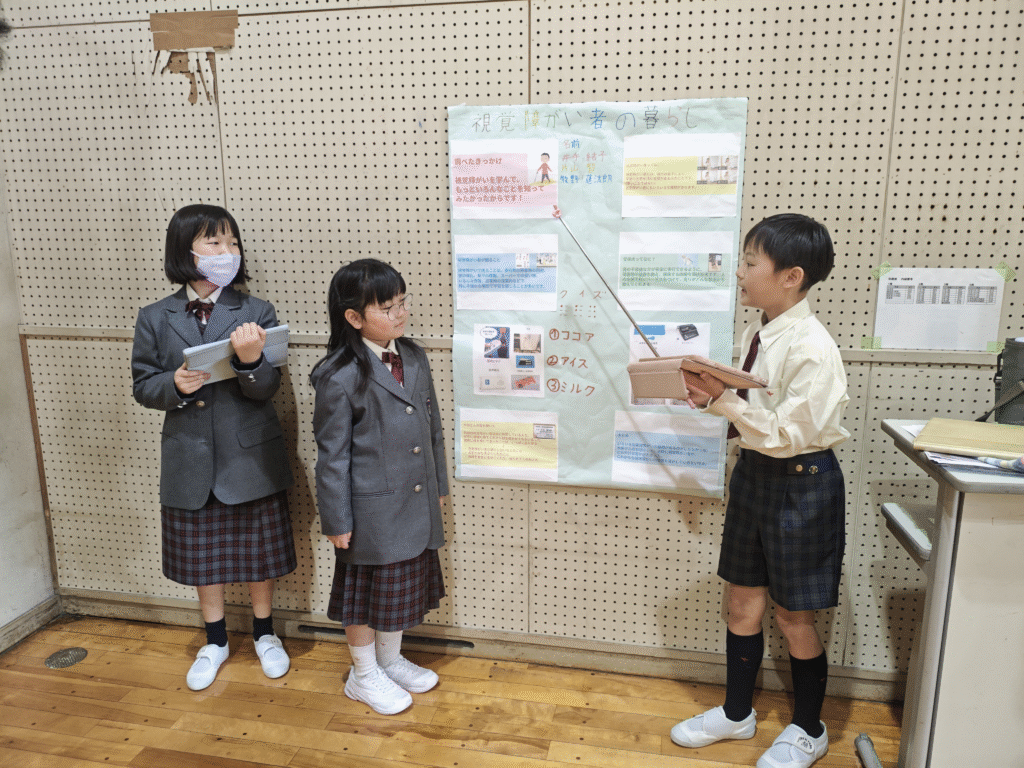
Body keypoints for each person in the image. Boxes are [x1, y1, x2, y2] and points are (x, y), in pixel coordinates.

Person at [671, 213, 849, 768]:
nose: (740, 273)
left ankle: (809, 729)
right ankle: (736, 713)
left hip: (802, 483)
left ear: (791, 277)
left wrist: (724, 400)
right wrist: (714, 394)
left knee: (795, 616)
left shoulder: (814, 346)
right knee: (741, 602)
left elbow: (788, 434)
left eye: (751, 263)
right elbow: (755, 417)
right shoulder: (759, 331)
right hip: (754, 474)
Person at [132, 204, 295, 691]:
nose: (228, 252)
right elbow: (143, 385)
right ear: (185, 251)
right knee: (204, 558)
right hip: (190, 456)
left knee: (259, 554)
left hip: (251, 456)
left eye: (233, 243)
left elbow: (268, 388)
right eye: (215, 242)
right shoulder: (154, 316)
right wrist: (174, 385)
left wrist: (250, 362)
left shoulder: (256, 311)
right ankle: (216, 639)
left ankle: (265, 633)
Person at [310, 258, 448, 716]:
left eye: (402, 302)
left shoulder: (414, 356)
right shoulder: (339, 374)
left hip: (413, 500)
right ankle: (363, 674)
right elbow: (332, 456)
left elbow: (433, 428)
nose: (400, 313)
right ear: (354, 317)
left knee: (398, 590)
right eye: (388, 308)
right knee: (366, 596)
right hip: (369, 509)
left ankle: (389, 661)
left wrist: (437, 484)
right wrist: (337, 520)